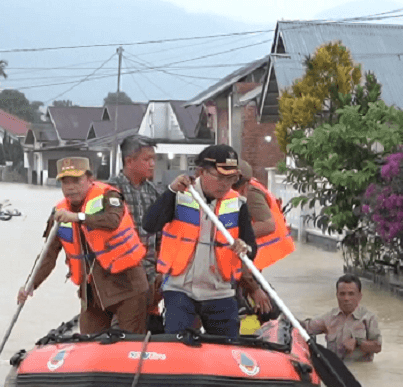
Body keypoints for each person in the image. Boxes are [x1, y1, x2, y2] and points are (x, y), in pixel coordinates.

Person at [142, 144, 268, 339]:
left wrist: (245, 247)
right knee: (178, 348)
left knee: (228, 350)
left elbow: (252, 249)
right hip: (180, 289)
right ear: (201, 172)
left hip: (220, 291)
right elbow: (150, 224)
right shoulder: (180, 195)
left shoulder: (238, 204)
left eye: (231, 178)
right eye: (220, 177)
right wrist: (170, 192)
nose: (225, 184)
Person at [18, 157, 151, 334]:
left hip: (127, 287)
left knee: (128, 347)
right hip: (92, 295)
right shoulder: (59, 214)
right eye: (65, 182)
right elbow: (48, 256)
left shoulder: (109, 197)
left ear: (90, 179)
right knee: (88, 344)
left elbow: (113, 220)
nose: (70, 187)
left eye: (76, 181)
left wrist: (79, 218)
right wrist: (30, 286)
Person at [108, 135, 163, 274]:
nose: (152, 164)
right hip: (120, 273)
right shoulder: (110, 191)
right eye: (147, 159)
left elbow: (160, 234)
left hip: (150, 271)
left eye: (153, 159)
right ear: (129, 161)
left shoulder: (153, 192)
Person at [302, 274, 383, 361]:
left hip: (360, 370)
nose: (346, 298)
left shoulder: (369, 318)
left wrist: (358, 343)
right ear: (337, 295)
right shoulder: (329, 318)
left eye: (351, 294)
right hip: (335, 369)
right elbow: (305, 327)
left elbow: (377, 347)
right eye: (342, 294)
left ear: (359, 296)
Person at [232, 161, 295, 270]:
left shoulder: (250, 192)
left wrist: (234, 236)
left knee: (251, 283)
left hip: (256, 253)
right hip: (250, 252)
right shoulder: (246, 188)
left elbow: (267, 225)